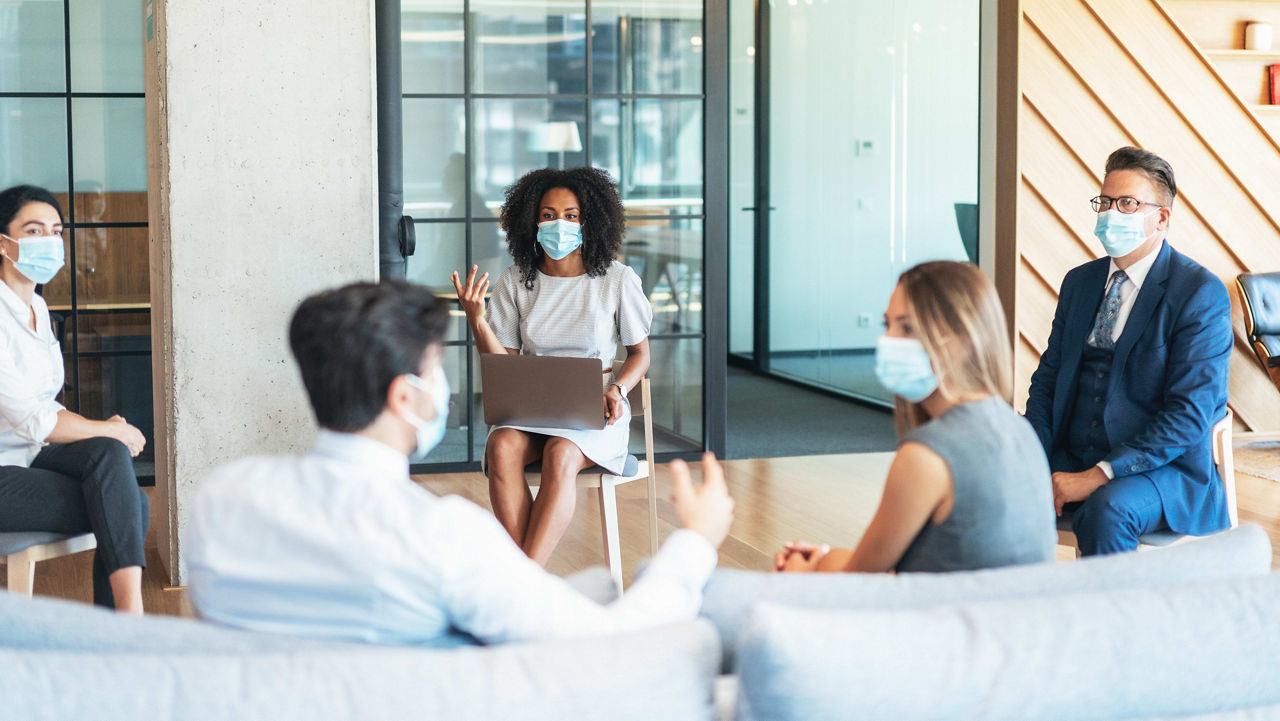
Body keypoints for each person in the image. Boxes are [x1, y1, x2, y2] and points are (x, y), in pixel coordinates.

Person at [185, 280, 733, 646]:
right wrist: (697, 541)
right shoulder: (443, 535)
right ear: (405, 397)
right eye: (435, 369)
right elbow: (605, 639)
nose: (444, 387)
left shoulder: (222, 499)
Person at [774, 261, 1055, 574]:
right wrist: (825, 561)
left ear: (962, 338)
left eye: (907, 328)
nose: (889, 340)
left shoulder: (926, 455)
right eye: (887, 325)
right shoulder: (1019, 429)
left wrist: (800, 574)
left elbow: (856, 585)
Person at [1024, 146, 1232, 555]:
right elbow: (1048, 380)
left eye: (1127, 203)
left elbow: (1189, 413)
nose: (1110, 213)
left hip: (1161, 469)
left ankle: (1118, 618)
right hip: (1072, 450)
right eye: (1105, 201)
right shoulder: (1079, 283)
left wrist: (1101, 474)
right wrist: (1028, 457)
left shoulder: (1198, 293)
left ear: (1162, 218)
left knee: (1109, 510)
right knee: (992, 488)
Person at [451, 167, 652, 565]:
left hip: (596, 412)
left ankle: (522, 581)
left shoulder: (617, 280)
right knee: (501, 445)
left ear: (589, 221)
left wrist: (618, 389)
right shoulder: (515, 282)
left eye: (571, 215)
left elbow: (640, 354)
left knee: (560, 453)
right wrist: (477, 320)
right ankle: (529, 583)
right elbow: (503, 365)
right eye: (547, 214)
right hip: (532, 409)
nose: (558, 224)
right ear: (531, 220)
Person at [0, 185, 149, 612]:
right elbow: (34, 419)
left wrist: (106, 433)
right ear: (3, 243)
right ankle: (128, 620)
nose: (48, 241)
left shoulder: (38, 309)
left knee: (107, 455)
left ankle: (124, 619)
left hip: (31, 455)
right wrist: (108, 428)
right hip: (5, 469)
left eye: (55, 231)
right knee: (130, 504)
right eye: (33, 230)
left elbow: (47, 402)